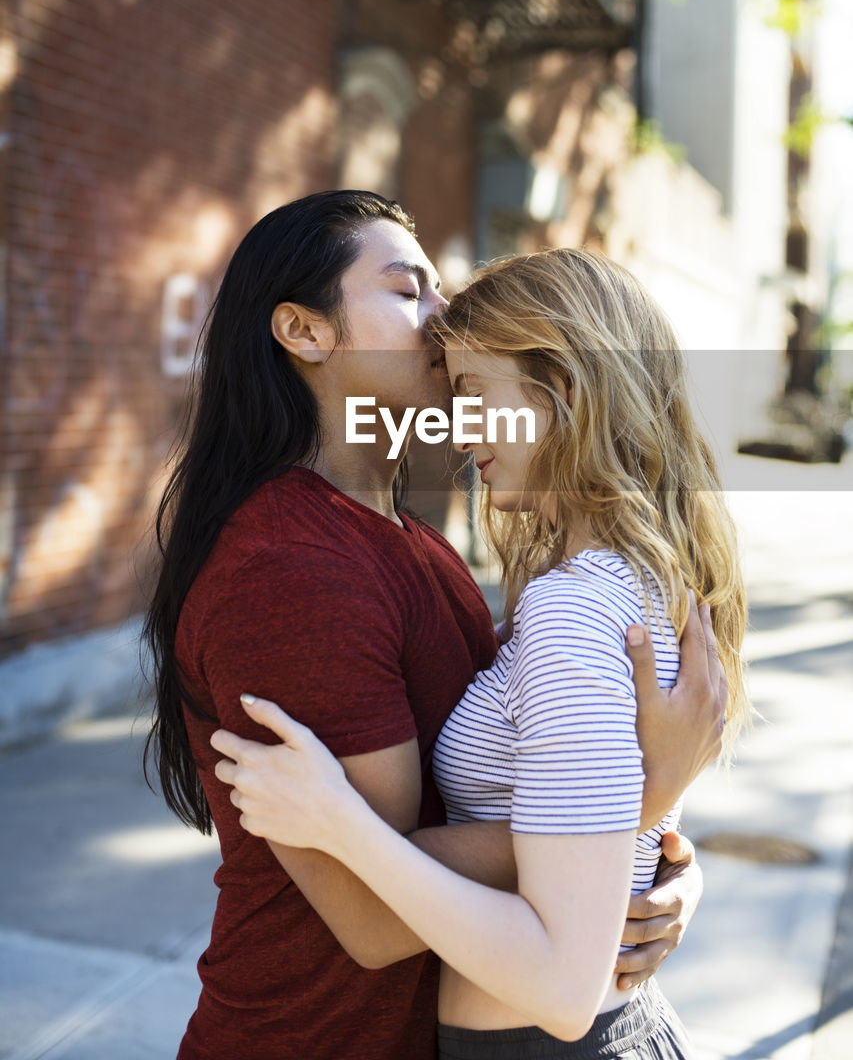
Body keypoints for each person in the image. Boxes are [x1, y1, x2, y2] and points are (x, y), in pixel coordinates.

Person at [143, 193, 726, 1060]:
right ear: (305, 333)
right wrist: (641, 800)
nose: (444, 316)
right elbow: (373, 918)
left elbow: (545, 770)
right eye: (407, 289)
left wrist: (657, 869)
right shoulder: (289, 571)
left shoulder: (417, 544)